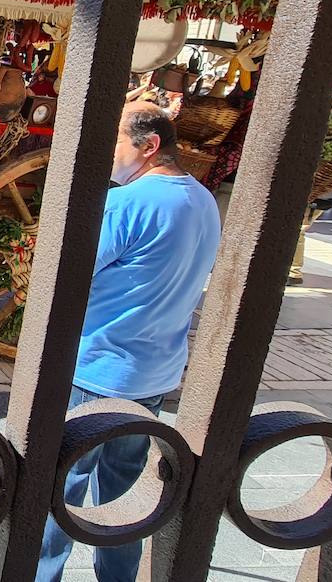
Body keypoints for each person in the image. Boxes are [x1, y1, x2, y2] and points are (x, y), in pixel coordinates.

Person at [34, 102, 221, 582]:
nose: (108, 155)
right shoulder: (202, 200)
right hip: (155, 373)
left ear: (149, 146)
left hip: (98, 368)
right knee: (124, 494)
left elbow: (67, 275)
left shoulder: (129, 203)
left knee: (62, 486)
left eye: (115, 142)